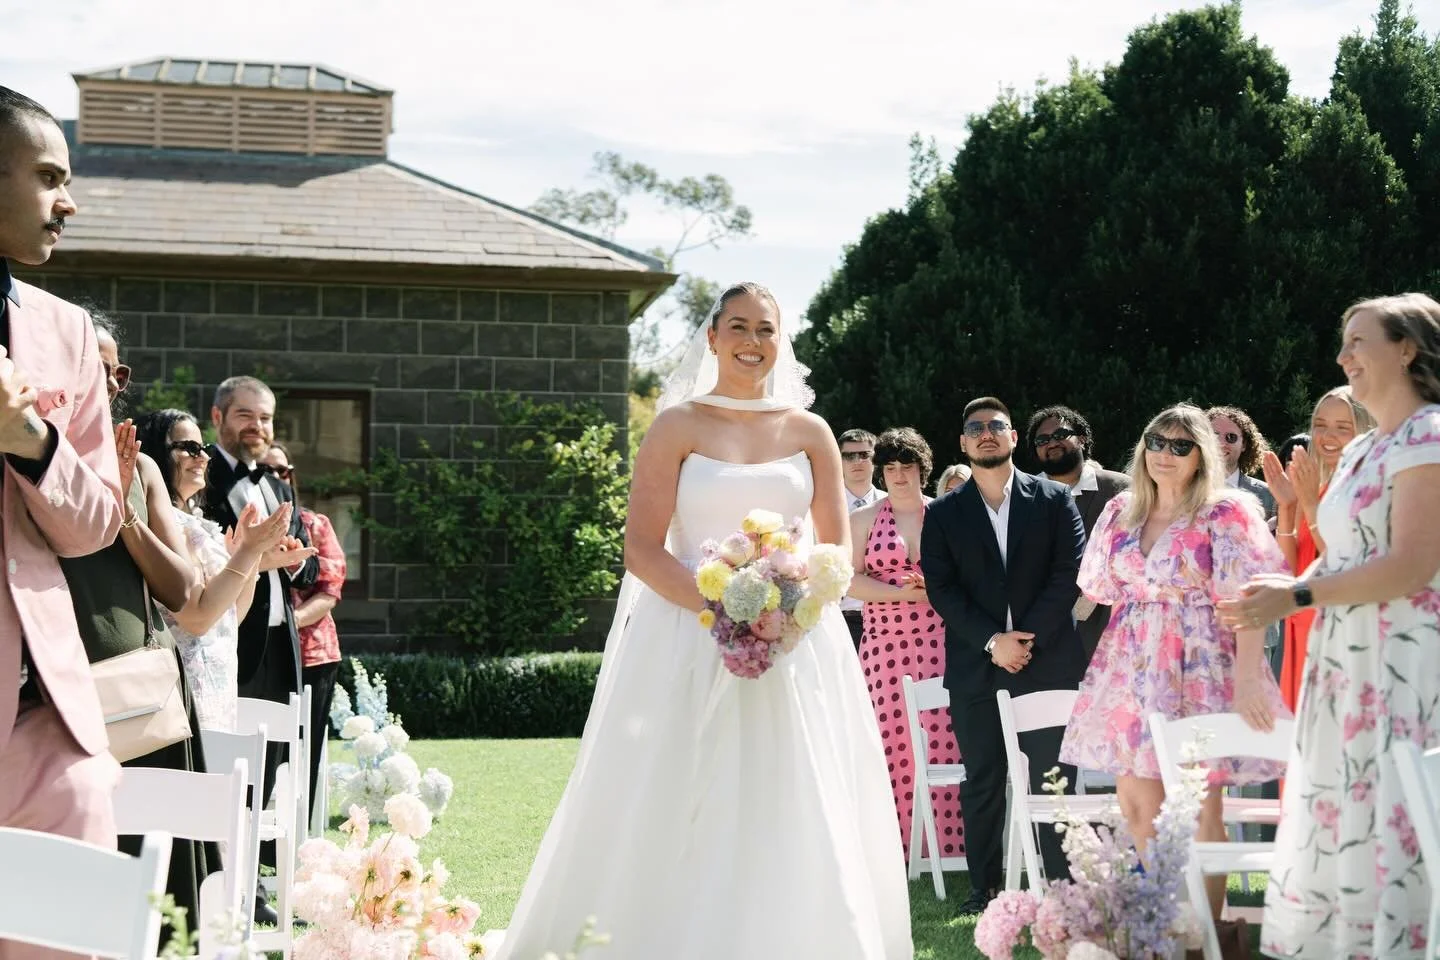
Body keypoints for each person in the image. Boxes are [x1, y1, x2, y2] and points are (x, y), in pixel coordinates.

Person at [494, 283, 912, 960]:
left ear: (783, 340)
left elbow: (836, 550)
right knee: (676, 787)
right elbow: (641, 548)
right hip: (685, 637)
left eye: (766, 330)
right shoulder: (677, 426)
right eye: (739, 327)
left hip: (795, 643)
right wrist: (723, 612)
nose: (753, 342)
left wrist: (789, 603)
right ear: (713, 337)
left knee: (793, 791)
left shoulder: (811, 433)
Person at [1220, 293, 1440, 960]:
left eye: (1358, 342)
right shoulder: (1366, 447)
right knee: (1350, 824)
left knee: (1399, 822)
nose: (1343, 357)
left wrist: (1299, 595)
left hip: (1402, 664)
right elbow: (1346, 551)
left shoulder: (1429, 435)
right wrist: (1292, 570)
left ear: (1407, 349)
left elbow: (1411, 564)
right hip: (1347, 664)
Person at [1058, 402, 1289, 918]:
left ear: (1201, 455)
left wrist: (1250, 679)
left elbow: (1249, 598)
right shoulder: (1122, 511)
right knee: (1138, 806)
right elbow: (1096, 586)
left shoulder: (1226, 512)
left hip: (1201, 663)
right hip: (1132, 663)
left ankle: (1207, 934)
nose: (1164, 453)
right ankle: (1167, 922)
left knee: (1196, 805)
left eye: (1180, 445)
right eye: (1156, 442)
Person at [0, 85, 128, 960]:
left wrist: (31, 440)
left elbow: (96, 522)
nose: (68, 202)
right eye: (48, 176)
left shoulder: (68, 331)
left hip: (45, 724)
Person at [919, 397, 1088, 913]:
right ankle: (984, 889)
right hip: (977, 665)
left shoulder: (1056, 500)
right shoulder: (944, 513)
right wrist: (994, 643)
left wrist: (1025, 638)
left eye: (997, 426)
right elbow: (942, 590)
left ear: (1014, 437)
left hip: (1050, 661)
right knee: (984, 777)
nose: (986, 433)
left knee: (1053, 776)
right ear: (964, 444)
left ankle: (1062, 888)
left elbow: (1069, 575)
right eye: (976, 428)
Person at [133, 409, 292, 732]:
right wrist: (247, 552)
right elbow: (198, 618)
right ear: (153, 454)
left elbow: (231, 615)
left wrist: (251, 557)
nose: (202, 457)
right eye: (188, 448)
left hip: (216, 686)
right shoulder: (164, 525)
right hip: (181, 689)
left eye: (203, 447)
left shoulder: (197, 524)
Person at [848, 427, 961, 862]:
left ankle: (949, 847)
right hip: (884, 645)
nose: (897, 474)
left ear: (922, 468)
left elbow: (967, 576)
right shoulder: (863, 519)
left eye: (906, 466)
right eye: (890, 467)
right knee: (892, 743)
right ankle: (893, 849)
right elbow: (851, 580)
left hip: (940, 641)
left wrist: (936, 588)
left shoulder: (945, 515)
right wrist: (903, 594)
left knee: (942, 739)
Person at [1260, 387, 1374, 711]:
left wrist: (1310, 506)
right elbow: (1291, 569)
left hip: (1342, 627)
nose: (1327, 436)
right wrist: (1287, 505)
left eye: (1343, 427)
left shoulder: (1370, 491)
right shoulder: (1315, 485)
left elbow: (1342, 562)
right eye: (1321, 424)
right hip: (1302, 623)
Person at [262, 442, 345, 823]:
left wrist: (287, 625)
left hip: (313, 654)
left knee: (305, 748)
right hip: (256, 655)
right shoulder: (242, 521)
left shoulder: (315, 524)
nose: (275, 477)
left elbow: (329, 591)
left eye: (282, 470)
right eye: (265, 469)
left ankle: (300, 835)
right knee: (263, 749)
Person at [1024, 405, 1130, 659]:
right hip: (1044, 635)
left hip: (1113, 632)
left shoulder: (1121, 489)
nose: (1052, 442)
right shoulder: (1023, 497)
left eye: (1061, 434)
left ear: (1082, 438)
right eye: (1042, 439)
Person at [838, 428, 884, 650]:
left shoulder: (892, 503)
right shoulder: (823, 507)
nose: (857, 460)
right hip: (838, 616)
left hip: (886, 614)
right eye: (849, 456)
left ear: (875, 459)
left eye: (864, 454)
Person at [1207, 405, 1277, 519]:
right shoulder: (1184, 490)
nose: (1221, 443)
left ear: (1244, 444)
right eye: (1214, 436)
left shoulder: (1268, 495)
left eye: (1230, 437)